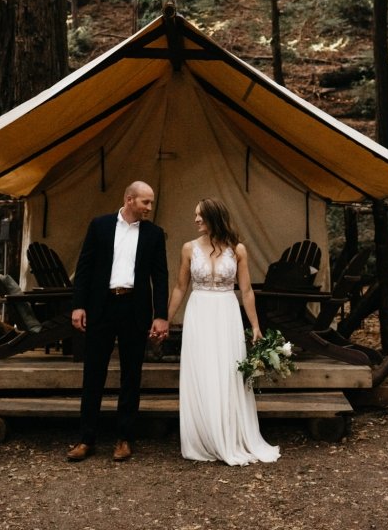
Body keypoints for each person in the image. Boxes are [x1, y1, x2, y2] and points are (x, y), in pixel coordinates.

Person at [167, 197, 280, 466]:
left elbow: (247, 290)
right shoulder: (188, 248)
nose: (195, 220)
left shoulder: (237, 249)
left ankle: (230, 435)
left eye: (200, 216)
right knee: (202, 370)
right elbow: (181, 287)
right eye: (195, 215)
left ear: (214, 218)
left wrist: (255, 326)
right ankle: (204, 436)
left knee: (228, 372)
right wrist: (165, 319)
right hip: (200, 311)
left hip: (227, 312)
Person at [67, 180, 169, 462]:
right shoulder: (99, 226)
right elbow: (84, 269)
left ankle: (124, 438)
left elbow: (160, 277)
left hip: (135, 308)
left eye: (151, 202)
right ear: (129, 199)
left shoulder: (154, 234)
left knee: (131, 375)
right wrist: (78, 306)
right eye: (145, 202)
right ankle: (86, 439)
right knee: (93, 374)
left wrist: (160, 315)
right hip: (102, 306)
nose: (150, 207)